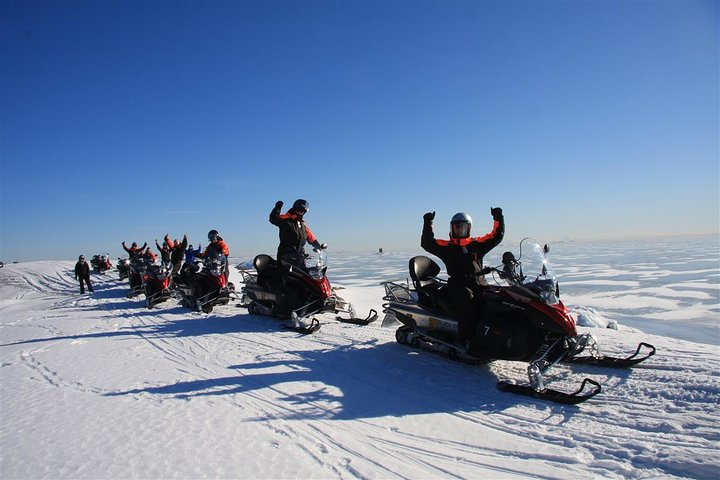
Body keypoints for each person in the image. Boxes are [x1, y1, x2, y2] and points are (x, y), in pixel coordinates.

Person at [420, 207, 505, 345]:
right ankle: (467, 339)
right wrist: (428, 222)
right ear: (452, 228)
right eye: (457, 227)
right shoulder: (447, 247)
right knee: (468, 300)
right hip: (458, 285)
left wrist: (498, 217)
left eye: (464, 227)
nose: (460, 230)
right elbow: (427, 243)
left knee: (498, 298)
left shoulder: (477, 245)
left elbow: (497, 236)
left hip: (480, 283)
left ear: (469, 228)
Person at [269, 199, 327, 269]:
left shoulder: (302, 225)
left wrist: (318, 246)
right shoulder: (285, 219)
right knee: (286, 276)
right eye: (299, 210)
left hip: (300, 256)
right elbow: (273, 219)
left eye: (303, 211)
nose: (301, 213)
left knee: (304, 276)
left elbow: (311, 237)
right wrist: (277, 208)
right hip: (286, 255)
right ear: (295, 209)